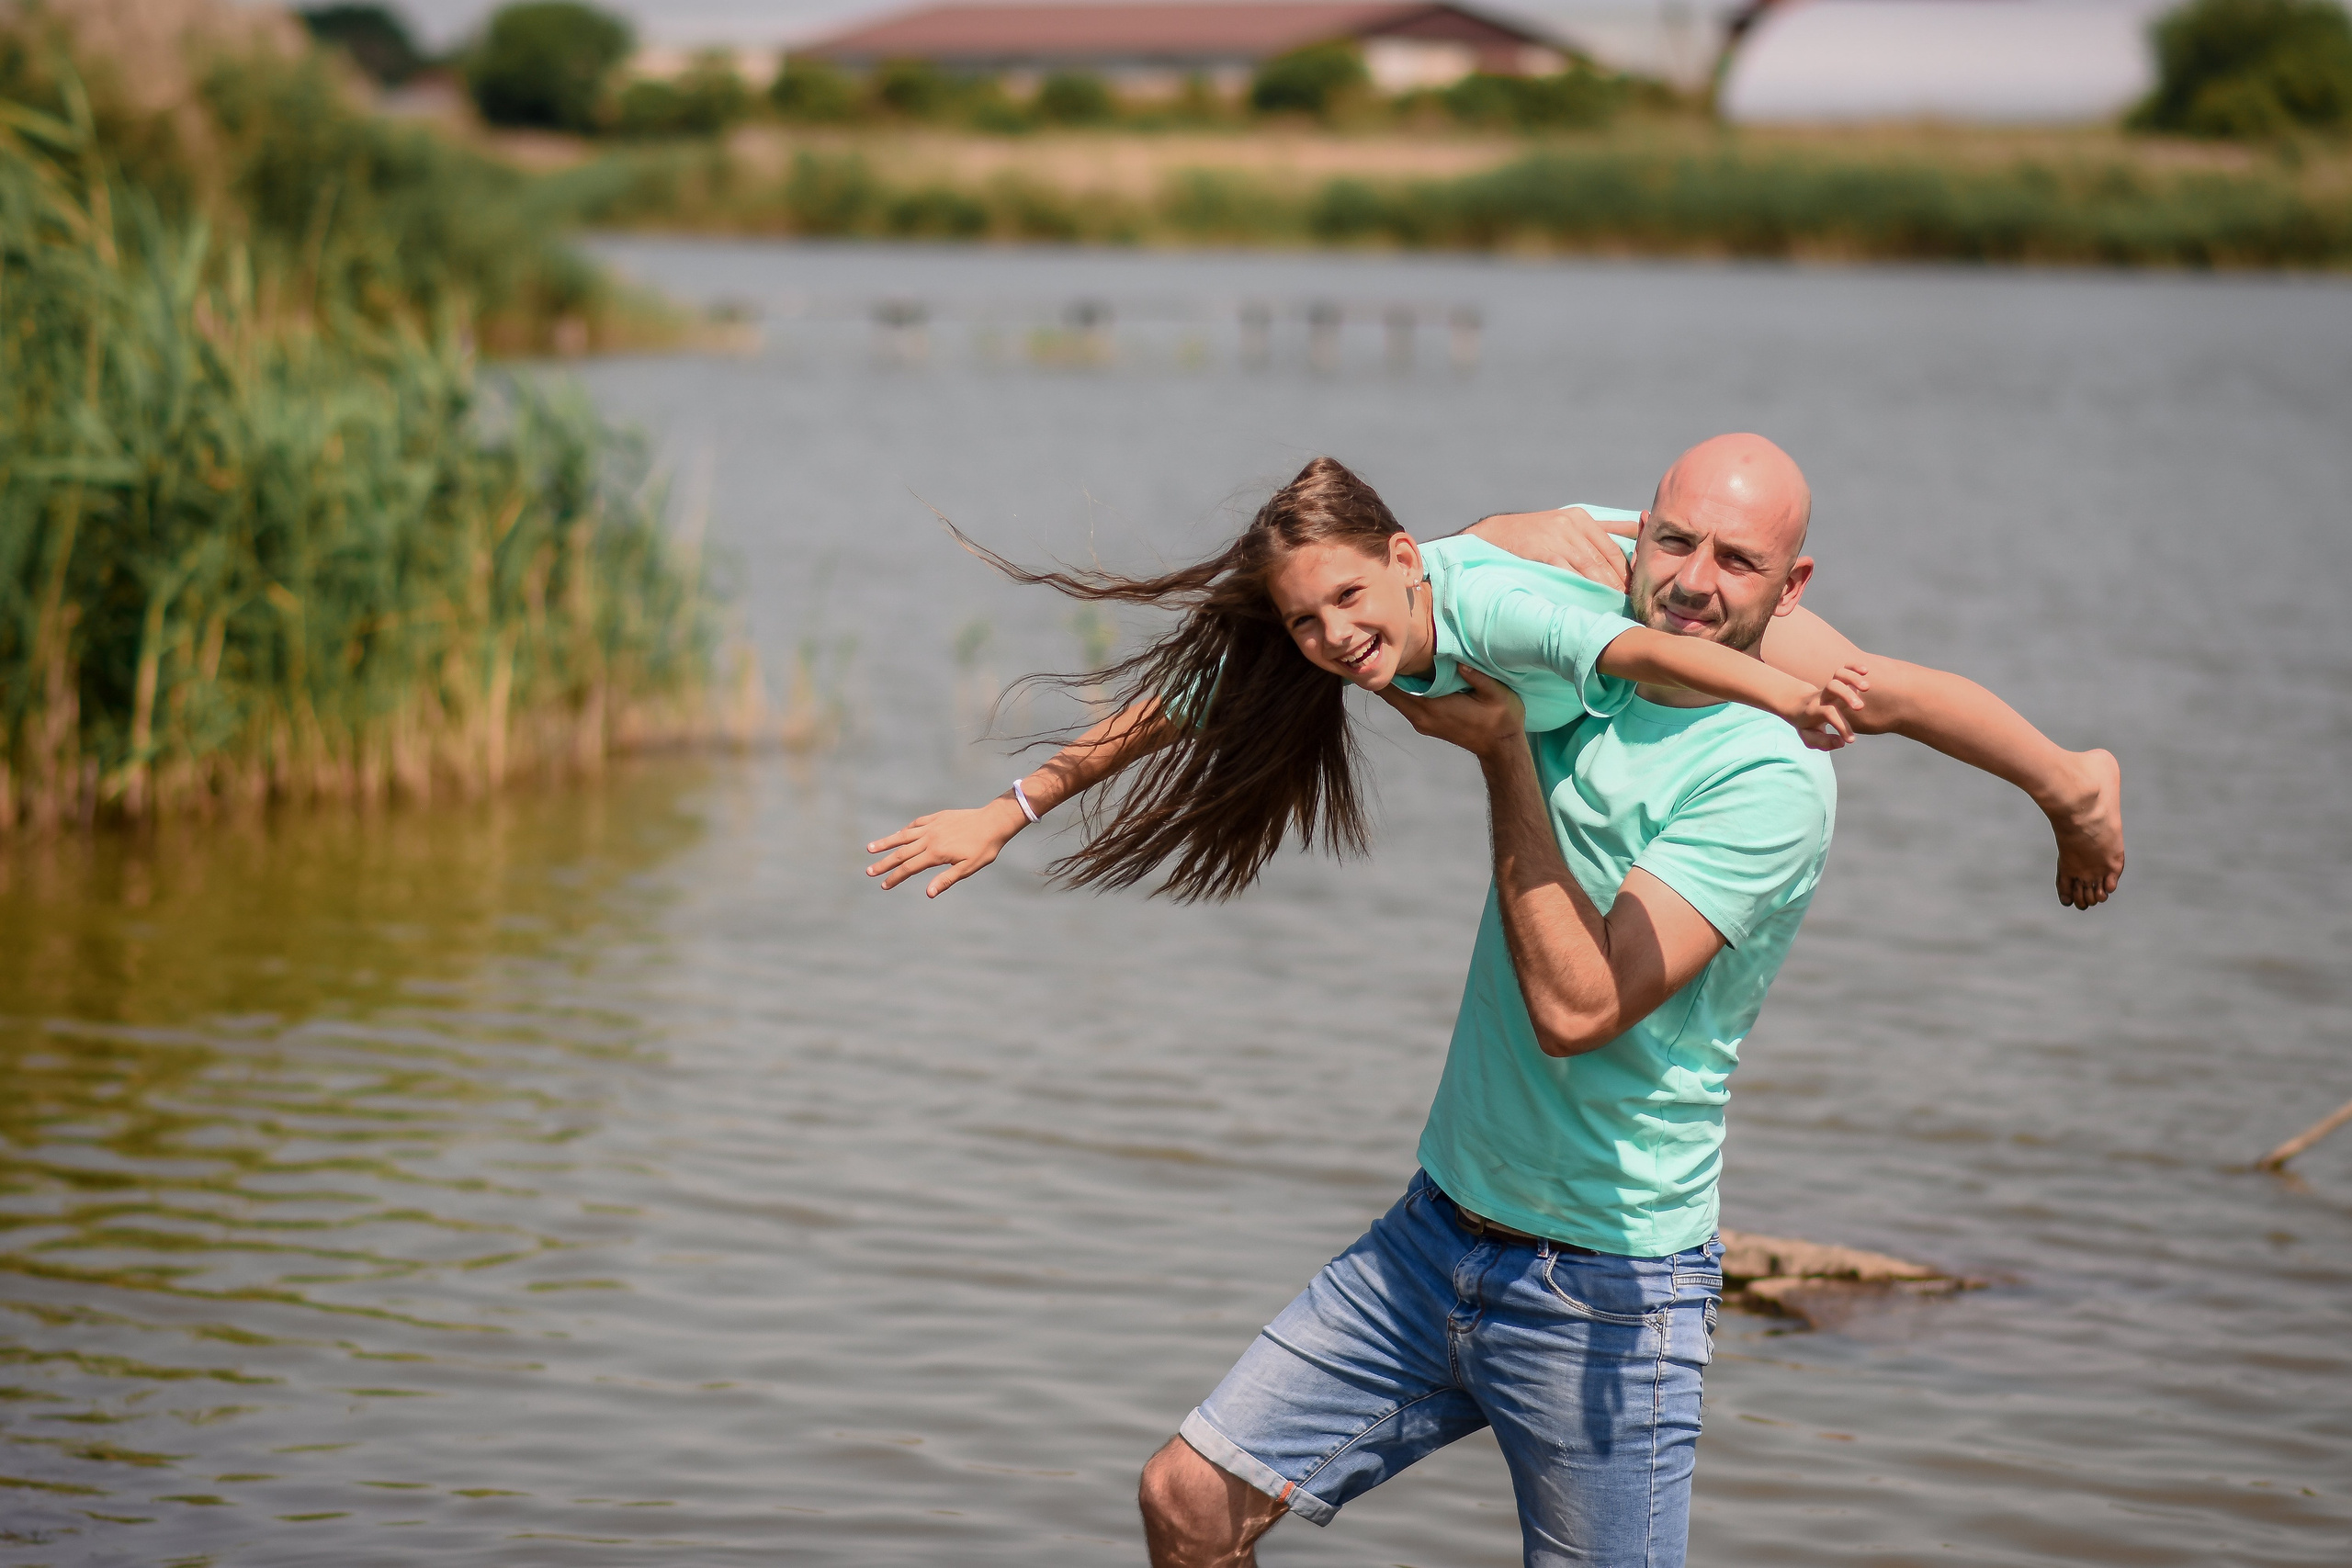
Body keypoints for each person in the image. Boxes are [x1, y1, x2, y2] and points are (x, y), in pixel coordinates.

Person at [865, 435, 2117, 1565]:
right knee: (1187, 1504)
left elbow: (1620, 669)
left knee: (1867, 685)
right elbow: (1189, 695)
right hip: (1439, 1237)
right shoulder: (1413, 603)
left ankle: (2073, 783)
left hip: (1609, 1282)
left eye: (1736, 558)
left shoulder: (1744, 765)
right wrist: (1014, 805)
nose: (1332, 639)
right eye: (1673, 539)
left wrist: (1769, 701)